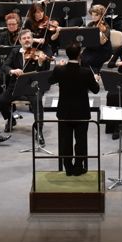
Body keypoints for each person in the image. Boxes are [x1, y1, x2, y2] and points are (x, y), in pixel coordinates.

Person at [49, 44, 100, 176]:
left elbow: (50, 81)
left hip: (64, 111)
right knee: (81, 140)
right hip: (82, 111)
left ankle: (68, 168)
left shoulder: (59, 70)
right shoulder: (86, 72)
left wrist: (57, 67)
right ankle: (78, 167)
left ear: (67, 54)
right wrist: (96, 80)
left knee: (66, 140)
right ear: (79, 55)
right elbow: (95, 90)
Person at [0, 29, 53, 142]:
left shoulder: (39, 53)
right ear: (20, 41)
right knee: (0, 102)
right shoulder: (15, 52)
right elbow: (5, 66)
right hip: (15, 86)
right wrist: (12, 71)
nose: (27, 40)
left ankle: (39, 131)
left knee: (37, 102)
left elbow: (44, 72)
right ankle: (11, 119)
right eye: (24, 38)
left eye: (29, 38)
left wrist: (40, 63)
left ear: (32, 39)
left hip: (32, 87)